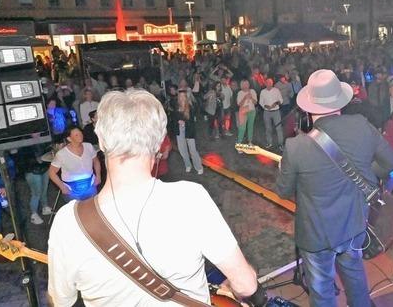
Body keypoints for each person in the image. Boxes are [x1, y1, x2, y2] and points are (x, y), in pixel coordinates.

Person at [48, 89, 263, 306]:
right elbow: (246, 285)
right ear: (159, 141)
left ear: (101, 141)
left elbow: (59, 301)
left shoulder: (68, 223)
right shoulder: (191, 200)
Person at [277, 69, 393, 307]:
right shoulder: (362, 125)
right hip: (354, 224)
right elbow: (392, 164)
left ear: (307, 108)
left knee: (322, 289)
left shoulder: (295, 146)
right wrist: (365, 172)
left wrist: (284, 166)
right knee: (354, 275)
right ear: (340, 101)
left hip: (317, 235)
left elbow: (283, 191)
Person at [48, 127, 101, 201]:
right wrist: (62, 187)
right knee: (76, 210)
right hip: (72, 189)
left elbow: (96, 161)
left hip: (90, 184)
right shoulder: (62, 154)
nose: (80, 135)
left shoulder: (88, 146)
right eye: (76, 135)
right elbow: (51, 172)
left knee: (92, 208)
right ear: (69, 138)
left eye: (80, 133)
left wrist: (98, 176)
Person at [172, 90, 204, 175]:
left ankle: (199, 167)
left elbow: (192, 121)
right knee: (182, 150)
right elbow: (173, 118)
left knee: (192, 150)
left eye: (183, 96)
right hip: (179, 130)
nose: (182, 98)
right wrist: (178, 121)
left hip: (189, 130)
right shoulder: (176, 106)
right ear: (178, 97)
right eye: (180, 96)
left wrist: (184, 122)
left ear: (186, 97)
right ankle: (188, 165)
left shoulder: (190, 106)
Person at [259, 77, 284, 150]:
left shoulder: (276, 90)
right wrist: (266, 106)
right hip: (267, 112)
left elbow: (281, 100)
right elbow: (261, 102)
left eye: (270, 83)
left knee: (279, 128)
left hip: (276, 112)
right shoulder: (263, 92)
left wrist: (276, 103)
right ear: (265, 83)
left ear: (272, 83)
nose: (269, 84)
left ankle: (280, 144)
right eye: (267, 83)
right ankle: (269, 142)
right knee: (268, 128)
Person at [236, 79, 257, 147]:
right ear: (241, 85)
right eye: (244, 84)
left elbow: (255, 102)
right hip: (243, 112)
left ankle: (250, 142)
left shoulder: (252, 91)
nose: (245, 86)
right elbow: (239, 104)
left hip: (252, 111)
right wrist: (245, 98)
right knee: (242, 128)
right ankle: (239, 144)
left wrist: (251, 98)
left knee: (250, 127)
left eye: (247, 84)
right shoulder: (240, 93)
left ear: (249, 85)